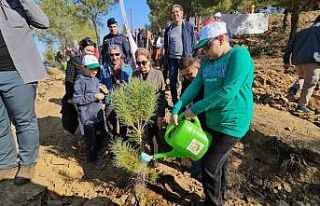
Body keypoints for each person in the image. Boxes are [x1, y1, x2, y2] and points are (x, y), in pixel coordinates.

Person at [170, 21, 254, 205]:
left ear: (221, 39)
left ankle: (212, 203)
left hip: (232, 123)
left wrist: (194, 110)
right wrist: (177, 107)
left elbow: (228, 92)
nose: (204, 52)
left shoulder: (239, 55)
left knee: (208, 166)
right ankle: (220, 197)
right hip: (213, 121)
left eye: (207, 46)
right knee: (219, 163)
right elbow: (195, 86)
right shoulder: (208, 62)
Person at [0, 0, 49, 184]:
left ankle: (27, 164)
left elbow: (43, 22)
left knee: (24, 121)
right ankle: (6, 165)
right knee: (0, 124)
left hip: (17, 73)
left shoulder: (16, 4)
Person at [72, 55, 108, 168]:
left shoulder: (96, 79)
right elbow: (77, 99)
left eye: (96, 68)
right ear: (84, 67)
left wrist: (105, 94)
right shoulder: (80, 82)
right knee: (91, 139)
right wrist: (94, 96)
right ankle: (93, 159)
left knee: (100, 135)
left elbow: (101, 96)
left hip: (98, 115)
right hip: (87, 118)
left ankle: (99, 152)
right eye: (92, 68)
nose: (95, 71)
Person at [283, 15, 320, 114]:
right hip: (313, 61)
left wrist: (286, 60)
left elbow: (289, 46)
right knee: (310, 83)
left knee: (303, 78)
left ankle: (294, 88)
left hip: (298, 62)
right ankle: (301, 106)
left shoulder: (301, 32)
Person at [132, 48, 166, 152]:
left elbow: (161, 97)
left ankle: (157, 156)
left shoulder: (158, 74)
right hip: (141, 113)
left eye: (144, 62)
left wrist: (160, 116)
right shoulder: (135, 75)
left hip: (154, 112)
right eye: (138, 63)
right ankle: (150, 155)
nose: (141, 66)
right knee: (147, 137)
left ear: (149, 60)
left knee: (157, 135)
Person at [163, 4, 197, 105]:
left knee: (188, 79)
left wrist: (191, 56)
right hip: (172, 59)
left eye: (177, 12)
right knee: (173, 81)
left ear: (182, 13)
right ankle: (175, 102)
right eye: (173, 13)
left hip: (185, 58)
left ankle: (187, 101)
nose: (175, 14)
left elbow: (194, 42)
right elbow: (166, 45)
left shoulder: (188, 26)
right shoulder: (168, 29)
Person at [61, 37, 96, 134]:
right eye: (87, 50)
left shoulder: (94, 61)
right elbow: (69, 80)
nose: (90, 53)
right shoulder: (74, 61)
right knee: (83, 119)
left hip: (91, 95)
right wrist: (70, 96)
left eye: (92, 51)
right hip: (79, 95)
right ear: (81, 49)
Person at [99, 44, 133, 138]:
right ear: (109, 55)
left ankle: (123, 141)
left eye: (117, 54)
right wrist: (102, 90)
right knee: (110, 124)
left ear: (121, 54)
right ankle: (113, 143)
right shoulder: (104, 69)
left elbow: (132, 85)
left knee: (123, 123)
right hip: (110, 99)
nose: (114, 57)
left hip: (123, 99)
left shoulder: (128, 68)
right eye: (112, 55)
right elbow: (100, 83)